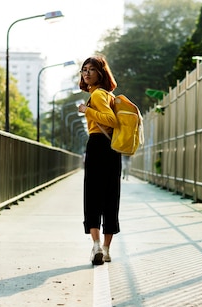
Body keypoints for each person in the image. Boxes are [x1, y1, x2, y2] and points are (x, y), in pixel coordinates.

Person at [77, 56, 121, 265]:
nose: (86, 73)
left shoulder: (97, 96)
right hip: (112, 149)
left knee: (93, 196)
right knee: (111, 196)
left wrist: (88, 110)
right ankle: (106, 249)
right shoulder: (110, 96)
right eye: (84, 70)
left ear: (100, 73)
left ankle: (96, 246)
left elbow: (111, 120)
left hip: (97, 145)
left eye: (91, 70)